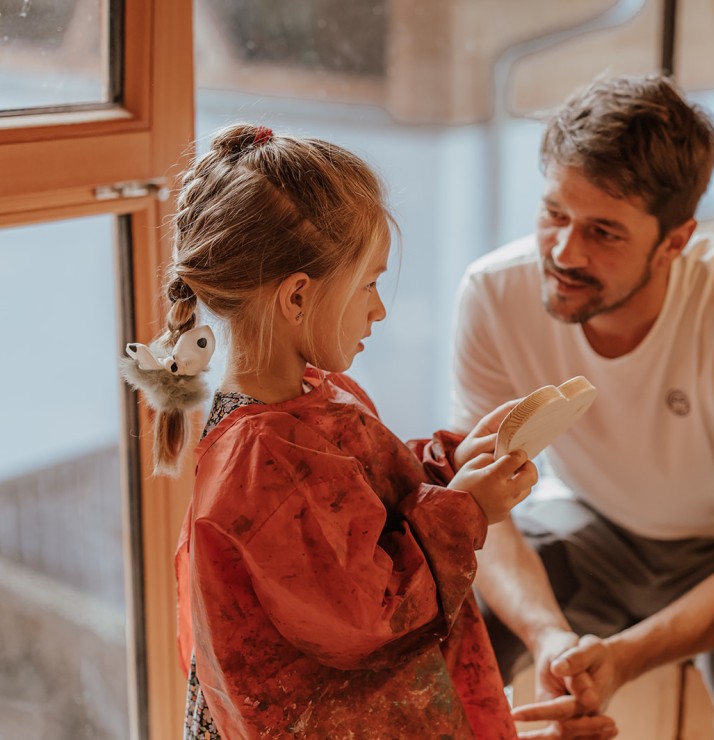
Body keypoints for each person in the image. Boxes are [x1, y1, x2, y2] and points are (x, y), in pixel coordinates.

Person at [119, 124, 566, 739]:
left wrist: (449, 463)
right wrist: (465, 511)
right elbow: (370, 617)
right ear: (298, 297)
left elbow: (370, 508)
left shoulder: (318, 396)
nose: (379, 309)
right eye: (370, 284)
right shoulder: (260, 463)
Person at [450, 74, 714, 739]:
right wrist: (549, 640)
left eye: (603, 232)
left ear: (675, 242)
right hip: (592, 522)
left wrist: (625, 657)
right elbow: (480, 516)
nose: (564, 252)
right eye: (554, 215)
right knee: (446, 636)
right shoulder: (491, 295)